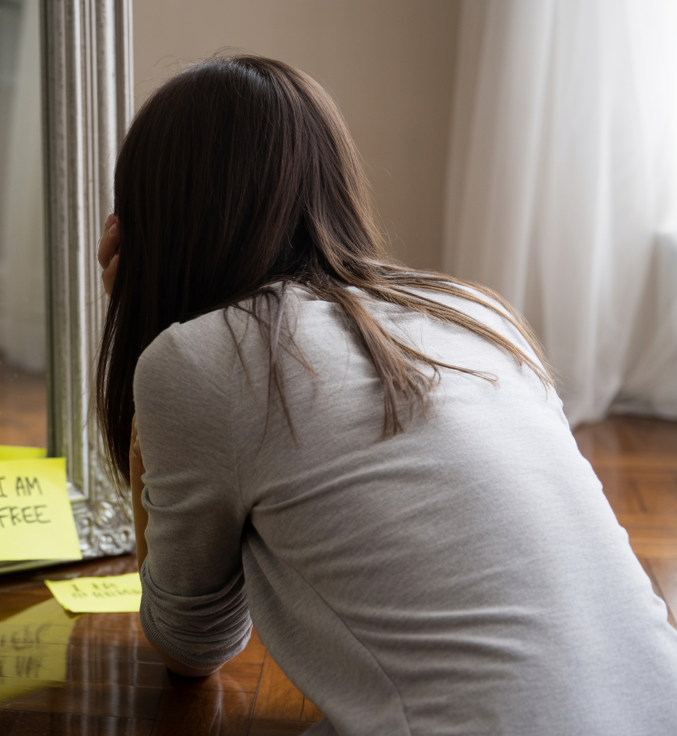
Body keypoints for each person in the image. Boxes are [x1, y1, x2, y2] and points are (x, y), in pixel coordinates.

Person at [96, 56, 677, 735]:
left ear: (154, 218)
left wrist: (146, 333)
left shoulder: (198, 359)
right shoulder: (473, 312)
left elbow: (192, 645)